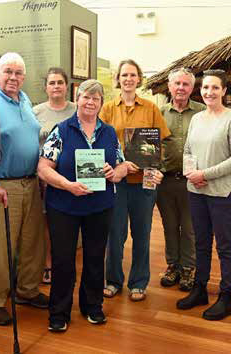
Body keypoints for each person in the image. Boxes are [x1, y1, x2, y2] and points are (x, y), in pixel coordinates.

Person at [38, 79, 135, 332]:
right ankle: (59, 312)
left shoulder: (109, 132)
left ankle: (92, 306)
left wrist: (115, 172)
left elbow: (122, 165)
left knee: (94, 257)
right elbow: (43, 168)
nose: (90, 102)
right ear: (77, 99)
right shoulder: (61, 130)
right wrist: (67, 185)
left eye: (96, 98)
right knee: (63, 260)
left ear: (101, 103)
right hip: (64, 205)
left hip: (99, 207)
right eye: (86, 97)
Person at [0, 52, 48, 326]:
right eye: (7, 71)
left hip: (31, 182)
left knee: (33, 241)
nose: (13, 77)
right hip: (3, 186)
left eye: (18, 72)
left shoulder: (24, 100)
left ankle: (27, 290)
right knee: (2, 246)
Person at [176, 69, 231, 321]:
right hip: (196, 191)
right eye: (205, 88)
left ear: (224, 91)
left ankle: (226, 297)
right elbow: (187, 150)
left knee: (225, 246)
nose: (209, 92)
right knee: (201, 244)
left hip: (222, 193)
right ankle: (200, 288)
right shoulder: (197, 119)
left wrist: (204, 174)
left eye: (215, 88)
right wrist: (191, 173)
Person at [101, 59, 170, 301]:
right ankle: (113, 280)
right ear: (118, 79)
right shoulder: (108, 109)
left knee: (142, 234)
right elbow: (100, 142)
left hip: (145, 181)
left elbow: (159, 145)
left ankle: (139, 282)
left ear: (139, 78)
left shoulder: (151, 108)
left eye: (132, 75)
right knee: (115, 234)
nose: (128, 79)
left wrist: (157, 167)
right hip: (116, 182)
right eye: (124, 75)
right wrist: (118, 165)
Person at [157, 68, 205, 292]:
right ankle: (172, 266)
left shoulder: (202, 112)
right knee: (169, 226)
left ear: (192, 88)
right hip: (165, 180)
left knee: (189, 228)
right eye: (177, 83)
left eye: (186, 84)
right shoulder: (159, 113)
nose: (181, 88)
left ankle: (188, 268)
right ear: (169, 86)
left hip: (192, 181)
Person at [33, 67, 76, 284]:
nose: (56, 86)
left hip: (72, 177)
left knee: (69, 221)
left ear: (66, 86)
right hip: (45, 178)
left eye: (60, 82)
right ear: (45, 87)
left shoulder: (77, 110)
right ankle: (47, 262)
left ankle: (66, 263)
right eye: (52, 83)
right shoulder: (36, 112)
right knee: (47, 222)